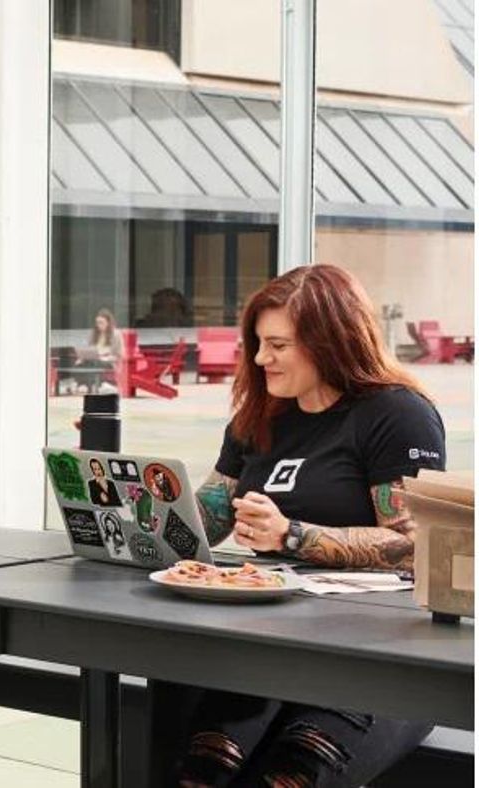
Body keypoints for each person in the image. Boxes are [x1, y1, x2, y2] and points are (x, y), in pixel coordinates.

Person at [167, 264, 445, 787]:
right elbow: (210, 513)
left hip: (381, 652)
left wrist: (290, 535)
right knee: (206, 767)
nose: (259, 358)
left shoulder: (397, 413)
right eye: (257, 343)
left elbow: (417, 545)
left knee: (292, 775)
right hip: (275, 643)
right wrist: (133, 514)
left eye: (277, 345)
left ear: (330, 341)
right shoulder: (260, 416)